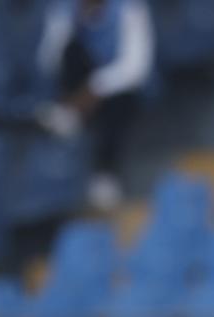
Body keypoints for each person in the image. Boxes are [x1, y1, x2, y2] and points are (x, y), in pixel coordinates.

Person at [34, 0, 155, 209]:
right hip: (79, 85)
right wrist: (64, 28)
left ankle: (105, 172)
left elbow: (135, 68)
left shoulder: (129, 8)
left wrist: (95, 88)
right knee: (70, 51)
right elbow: (48, 60)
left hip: (120, 87)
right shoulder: (64, 9)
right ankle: (68, 117)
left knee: (118, 104)